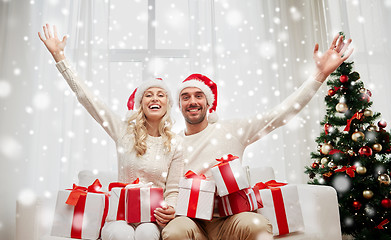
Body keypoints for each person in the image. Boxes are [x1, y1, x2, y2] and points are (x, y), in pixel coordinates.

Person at [162, 35, 353, 240]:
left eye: (198, 96)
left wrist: (319, 74)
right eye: (185, 97)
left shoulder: (232, 130)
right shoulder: (171, 142)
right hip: (191, 221)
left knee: (256, 225)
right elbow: (167, 186)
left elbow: (280, 114)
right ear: (179, 105)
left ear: (208, 103)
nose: (192, 101)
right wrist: (169, 208)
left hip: (231, 220)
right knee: (174, 231)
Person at [38, 24, 184, 240]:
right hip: (119, 216)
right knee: (118, 232)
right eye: (148, 95)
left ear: (167, 104)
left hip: (151, 218)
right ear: (141, 103)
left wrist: (170, 208)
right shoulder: (124, 131)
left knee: (146, 232)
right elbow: (88, 99)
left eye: (161, 95)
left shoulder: (175, 144)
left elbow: (173, 189)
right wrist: (60, 56)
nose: (154, 98)